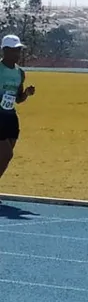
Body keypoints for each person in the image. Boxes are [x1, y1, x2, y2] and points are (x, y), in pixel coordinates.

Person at [0, 35, 35, 194]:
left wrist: (27, 93)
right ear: (5, 51)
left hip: (10, 117)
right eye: (14, 50)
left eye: (19, 50)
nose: (17, 54)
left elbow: (18, 98)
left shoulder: (20, 73)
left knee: (5, 156)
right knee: (6, 154)